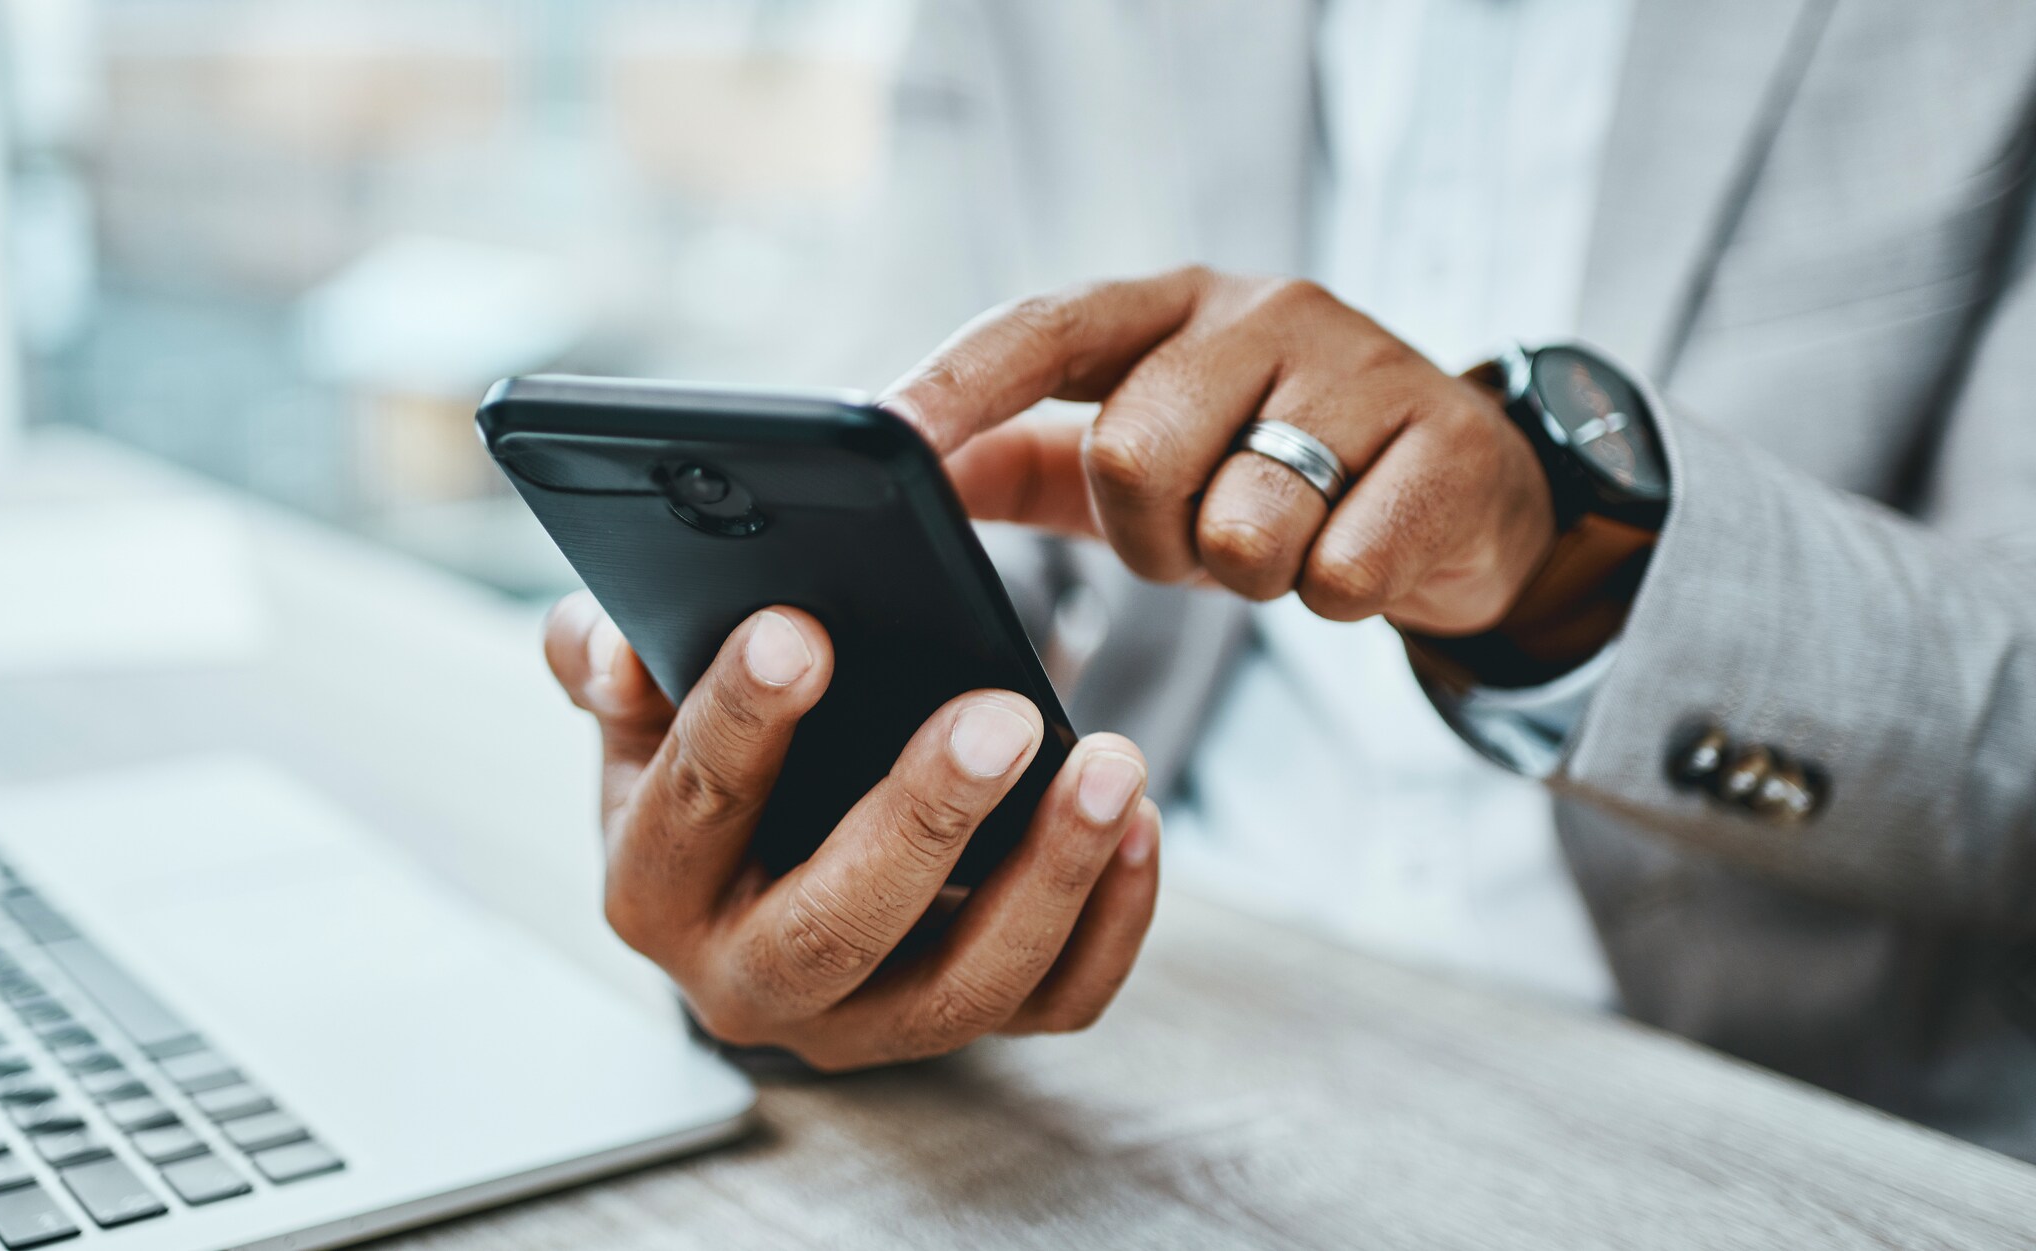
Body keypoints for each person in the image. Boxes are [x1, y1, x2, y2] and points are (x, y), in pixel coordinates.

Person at [544, 0, 2036, 1160]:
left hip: (1779, 1111)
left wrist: (1558, 561)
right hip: (1143, 1031)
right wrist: (809, 830)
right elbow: (912, 450)